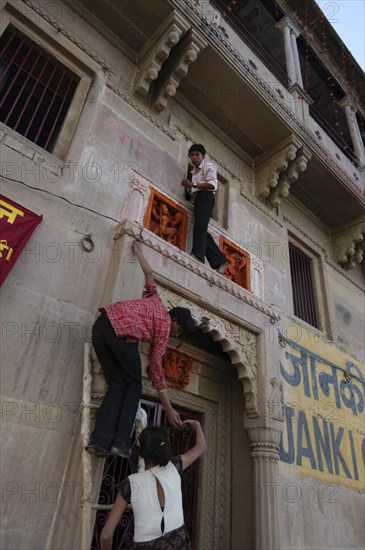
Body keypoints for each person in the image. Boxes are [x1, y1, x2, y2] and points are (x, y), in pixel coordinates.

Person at [86, 241, 194, 458]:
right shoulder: (164, 325)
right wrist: (168, 407)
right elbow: (156, 370)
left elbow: (150, 276)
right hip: (124, 333)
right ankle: (120, 443)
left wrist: (138, 251)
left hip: (102, 325)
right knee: (134, 386)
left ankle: (99, 442)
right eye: (179, 330)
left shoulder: (155, 300)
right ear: (175, 320)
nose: (176, 335)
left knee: (117, 384)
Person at [100, 419, 206, 550]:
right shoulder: (175, 466)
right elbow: (201, 447)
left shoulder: (130, 483)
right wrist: (196, 424)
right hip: (178, 543)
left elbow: (106, 535)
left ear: (141, 451)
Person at [181, 144, 228, 273]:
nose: (194, 157)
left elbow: (213, 185)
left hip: (206, 197)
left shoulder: (208, 166)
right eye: (192, 155)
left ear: (203, 156)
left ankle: (198, 255)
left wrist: (193, 184)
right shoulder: (194, 172)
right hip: (199, 199)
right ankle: (220, 260)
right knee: (200, 228)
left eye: (197, 155)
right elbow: (195, 192)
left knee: (200, 226)